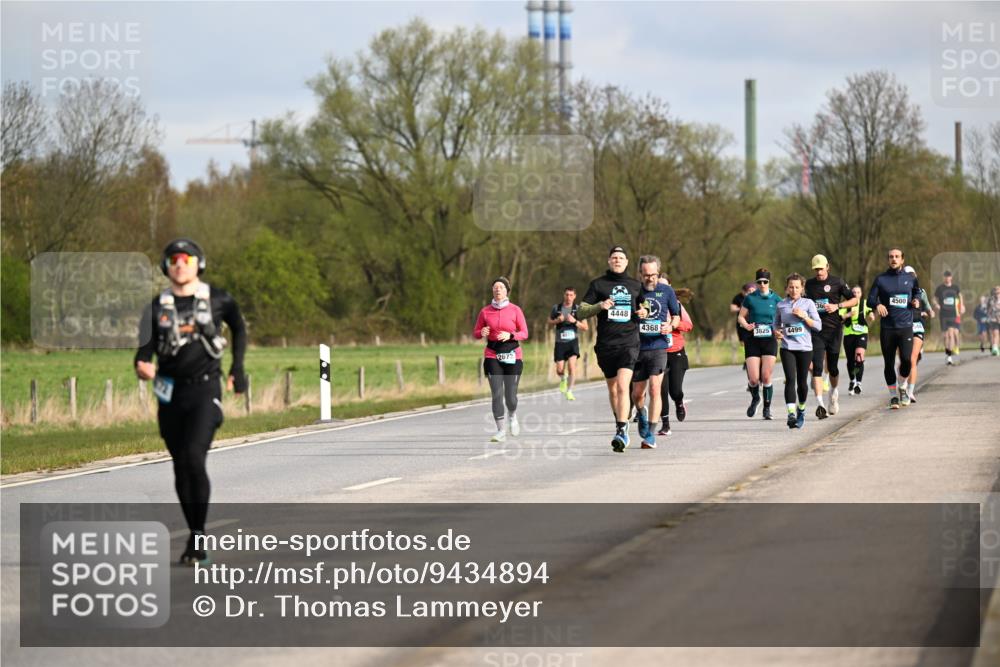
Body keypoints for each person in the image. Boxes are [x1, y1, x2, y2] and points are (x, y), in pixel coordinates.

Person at [135, 238, 247, 565]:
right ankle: (194, 533)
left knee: (194, 457)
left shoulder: (219, 300)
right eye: (173, 259)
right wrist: (142, 367)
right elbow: (143, 353)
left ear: (199, 263)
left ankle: (198, 539)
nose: (179, 264)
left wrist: (237, 369)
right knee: (180, 466)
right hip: (169, 393)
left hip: (205, 390)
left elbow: (239, 329)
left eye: (186, 258)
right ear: (166, 267)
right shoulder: (154, 308)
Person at [577, 246, 648, 452]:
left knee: (622, 387)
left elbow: (646, 306)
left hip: (629, 343)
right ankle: (620, 423)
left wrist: (644, 311)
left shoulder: (635, 285)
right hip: (606, 345)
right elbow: (580, 312)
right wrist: (600, 306)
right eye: (614, 257)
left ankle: (622, 430)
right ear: (609, 261)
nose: (617, 260)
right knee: (613, 389)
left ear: (626, 262)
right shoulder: (598, 284)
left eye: (621, 258)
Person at [630, 256, 680, 449]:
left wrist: (670, 326)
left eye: (653, 275)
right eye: (646, 275)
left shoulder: (666, 291)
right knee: (637, 394)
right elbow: (625, 316)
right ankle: (641, 413)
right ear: (640, 274)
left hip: (659, 346)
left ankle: (651, 434)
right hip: (638, 347)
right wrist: (636, 314)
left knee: (654, 388)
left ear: (658, 273)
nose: (650, 278)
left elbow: (676, 317)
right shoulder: (634, 290)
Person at [473, 277, 529, 443]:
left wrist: (511, 335)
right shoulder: (485, 311)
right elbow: (476, 333)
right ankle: (500, 430)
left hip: (513, 354)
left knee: (510, 396)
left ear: (507, 291)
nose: (498, 290)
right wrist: (481, 333)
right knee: (497, 394)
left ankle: (512, 416)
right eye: (495, 288)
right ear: (492, 291)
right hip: (492, 354)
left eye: (501, 287)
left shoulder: (515, 310)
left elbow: (524, 333)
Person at [866, 247, 921, 409]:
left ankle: (902, 386)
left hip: (905, 327)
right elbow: (870, 299)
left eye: (897, 256)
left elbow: (917, 292)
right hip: (888, 328)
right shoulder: (881, 279)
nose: (894, 259)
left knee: (906, 361)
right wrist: (878, 304)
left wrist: (916, 300)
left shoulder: (910, 278)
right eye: (891, 257)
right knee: (889, 363)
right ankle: (893, 396)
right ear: (888, 260)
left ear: (902, 260)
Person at [804, 254, 857, 420]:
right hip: (816, 332)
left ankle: (833, 393)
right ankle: (820, 404)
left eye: (821, 268)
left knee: (832, 368)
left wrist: (837, 306)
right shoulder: (809, 285)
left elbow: (854, 300)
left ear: (827, 267)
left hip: (834, 331)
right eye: (816, 269)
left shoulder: (838, 282)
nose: (819, 272)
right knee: (817, 368)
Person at [773, 273, 822, 429]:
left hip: (805, 349)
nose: (793, 290)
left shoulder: (808, 304)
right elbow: (775, 324)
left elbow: (818, 326)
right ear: (786, 288)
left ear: (802, 288)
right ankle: (791, 414)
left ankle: (801, 409)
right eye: (791, 287)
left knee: (802, 383)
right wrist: (776, 332)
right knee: (790, 379)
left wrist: (804, 317)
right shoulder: (781, 305)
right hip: (787, 347)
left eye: (797, 287)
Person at [737, 268, 781, 420]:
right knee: (754, 379)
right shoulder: (750, 298)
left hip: (769, 339)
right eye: (759, 282)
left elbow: (784, 318)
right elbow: (741, 317)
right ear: (756, 283)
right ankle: (756, 398)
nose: (762, 284)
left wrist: (779, 330)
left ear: (769, 282)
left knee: (766, 377)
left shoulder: (776, 299)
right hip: (753, 339)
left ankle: (767, 409)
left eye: (765, 282)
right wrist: (746, 325)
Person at [659, 284, 693, 436]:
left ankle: (679, 402)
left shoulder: (677, 305)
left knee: (675, 391)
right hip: (657, 352)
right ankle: (665, 424)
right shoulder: (649, 304)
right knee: (661, 390)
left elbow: (689, 325)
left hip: (676, 351)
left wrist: (674, 324)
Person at [899, 266, 933, 404]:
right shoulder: (898, 291)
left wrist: (928, 313)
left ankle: (910, 392)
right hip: (902, 327)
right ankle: (902, 386)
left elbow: (928, 308)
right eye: (908, 274)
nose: (911, 277)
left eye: (913, 274)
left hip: (917, 326)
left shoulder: (921, 291)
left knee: (912, 360)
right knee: (904, 360)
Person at [548, 287, 588, 401]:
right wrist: (557, 321)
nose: (568, 297)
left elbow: (585, 327)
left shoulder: (578, 309)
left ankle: (569, 391)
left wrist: (574, 321)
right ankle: (563, 378)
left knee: (571, 367)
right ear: (563, 295)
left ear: (575, 296)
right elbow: (549, 322)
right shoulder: (557, 308)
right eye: (566, 295)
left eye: (571, 295)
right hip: (560, 343)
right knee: (559, 370)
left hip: (572, 343)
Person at [839, 286, 874, 395]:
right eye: (853, 292)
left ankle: (858, 383)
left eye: (858, 292)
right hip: (849, 334)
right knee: (850, 361)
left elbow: (870, 311)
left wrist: (871, 315)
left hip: (861, 333)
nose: (855, 294)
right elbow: (839, 318)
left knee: (859, 357)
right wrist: (847, 315)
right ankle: (852, 379)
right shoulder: (846, 304)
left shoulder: (864, 303)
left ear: (861, 294)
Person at [933, 270, 965, 365]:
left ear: (951, 277)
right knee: (945, 336)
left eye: (948, 276)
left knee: (951, 334)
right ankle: (948, 351)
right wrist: (936, 304)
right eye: (945, 276)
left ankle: (949, 356)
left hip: (953, 314)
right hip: (943, 314)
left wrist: (962, 306)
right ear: (943, 278)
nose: (947, 278)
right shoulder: (940, 288)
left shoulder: (955, 287)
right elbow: (934, 298)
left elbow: (960, 296)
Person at [732, 282, 756, 371]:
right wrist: (742, 309)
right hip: (742, 324)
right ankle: (746, 359)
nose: (751, 292)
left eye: (753, 290)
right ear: (745, 292)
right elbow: (732, 308)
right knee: (743, 342)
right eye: (749, 290)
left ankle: (754, 359)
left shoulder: (759, 299)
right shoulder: (739, 298)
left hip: (755, 325)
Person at [987, 286, 1000, 356]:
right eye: (996, 290)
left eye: (998, 290)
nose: (997, 292)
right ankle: (995, 348)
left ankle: (997, 347)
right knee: (995, 333)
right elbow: (991, 309)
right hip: (994, 319)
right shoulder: (991, 299)